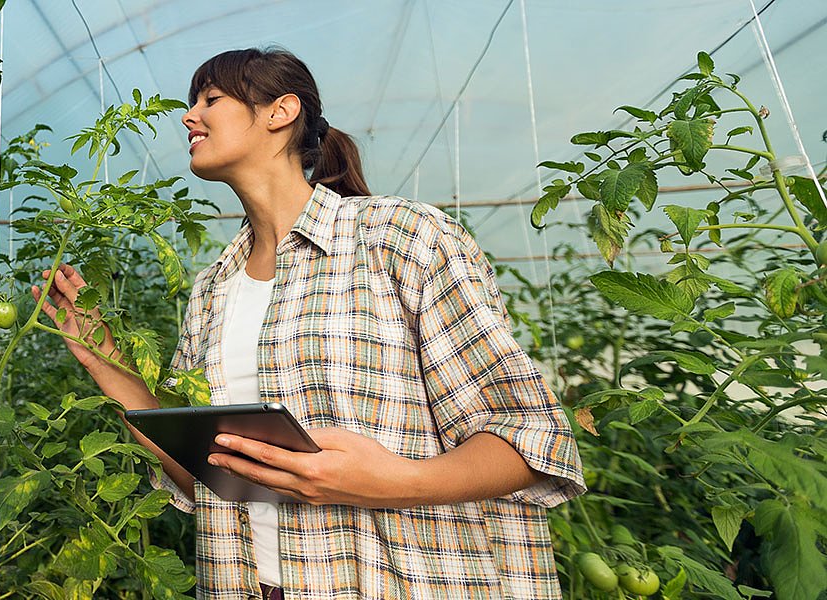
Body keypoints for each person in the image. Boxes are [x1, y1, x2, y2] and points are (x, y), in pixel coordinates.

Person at [30, 47, 585, 600]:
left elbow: (533, 440)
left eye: (210, 99)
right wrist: (106, 359)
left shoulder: (402, 238)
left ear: (281, 111)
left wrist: (396, 483)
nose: (188, 116)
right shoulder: (213, 288)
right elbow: (208, 474)